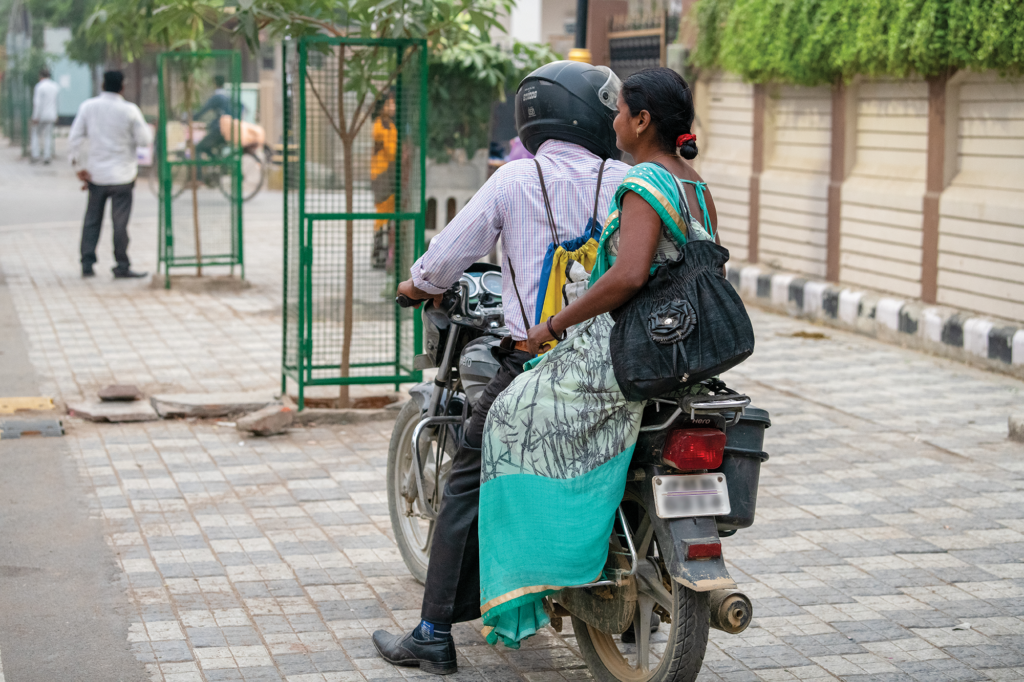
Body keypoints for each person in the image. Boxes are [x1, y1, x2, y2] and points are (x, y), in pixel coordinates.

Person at [374, 61, 630, 674]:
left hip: (536, 364)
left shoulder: (515, 180)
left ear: (536, 114)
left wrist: (416, 285)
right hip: (614, 366)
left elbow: (445, 260)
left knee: (468, 471)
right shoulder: (628, 178)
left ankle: (433, 632)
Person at [477, 67, 719, 648]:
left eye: (620, 111)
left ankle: (538, 570)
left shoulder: (643, 184)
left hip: (624, 349)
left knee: (508, 417)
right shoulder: (694, 184)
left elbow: (629, 274)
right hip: (684, 349)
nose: (611, 121)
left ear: (641, 121)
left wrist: (552, 325)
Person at [68, 70, 152, 279]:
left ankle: (87, 263)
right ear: (123, 87)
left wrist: (78, 167)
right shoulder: (130, 111)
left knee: (92, 220)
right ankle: (122, 264)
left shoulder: (88, 107)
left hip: (96, 175)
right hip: (123, 176)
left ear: (102, 85)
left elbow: (74, 138)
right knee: (120, 223)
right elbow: (144, 140)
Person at [370, 89, 397, 270]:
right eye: (389, 103)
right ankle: (378, 255)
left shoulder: (390, 125)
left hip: (388, 171)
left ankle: (383, 254)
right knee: (382, 213)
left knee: (388, 211)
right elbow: (391, 151)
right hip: (381, 173)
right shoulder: (381, 125)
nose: (392, 107)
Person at [31, 67, 60, 164]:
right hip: (51, 114)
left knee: (35, 134)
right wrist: (56, 114)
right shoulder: (55, 86)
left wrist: (35, 117)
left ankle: (36, 155)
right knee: (48, 136)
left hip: (41, 115)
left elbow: (37, 103)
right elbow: (56, 102)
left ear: (40, 76)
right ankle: (47, 157)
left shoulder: (39, 86)